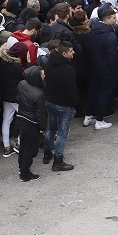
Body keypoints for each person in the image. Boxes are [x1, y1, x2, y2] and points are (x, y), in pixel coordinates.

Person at [42, 41, 78, 171]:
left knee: (51, 128)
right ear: (64, 53)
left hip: (50, 101)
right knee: (62, 133)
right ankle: (58, 161)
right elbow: (72, 91)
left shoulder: (49, 63)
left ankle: (47, 154)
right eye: (71, 51)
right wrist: (75, 104)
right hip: (64, 105)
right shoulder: (68, 70)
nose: (73, 52)